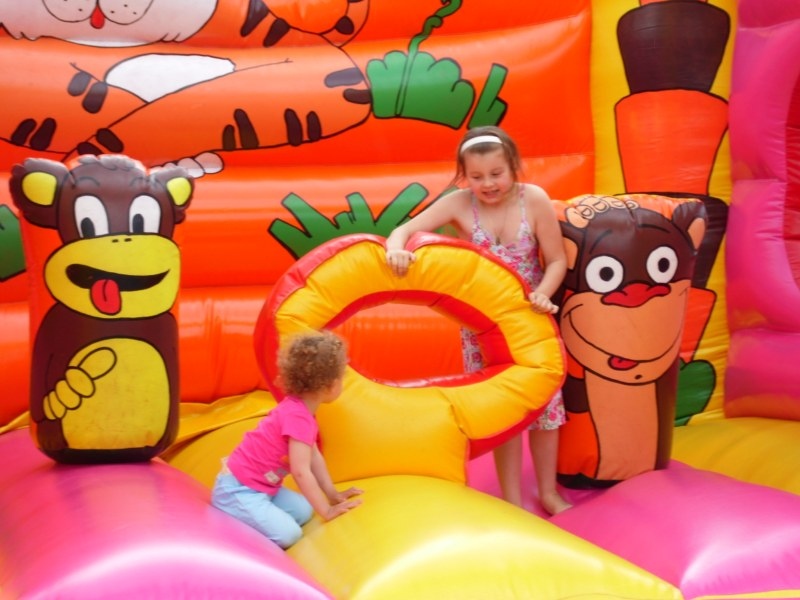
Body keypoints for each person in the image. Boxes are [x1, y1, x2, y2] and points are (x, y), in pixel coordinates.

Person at [384, 125, 571, 515]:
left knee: (546, 408)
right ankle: (512, 500)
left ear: (513, 166)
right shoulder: (459, 204)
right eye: (477, 176)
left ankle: (548, 492)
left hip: (530, 321)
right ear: (464, 176)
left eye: (497, 173)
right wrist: (397, 250)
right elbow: (402, 230)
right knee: (503, 408)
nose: (488, 184)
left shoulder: (533, 199)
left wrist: (543, 293)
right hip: (483, 328)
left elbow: (556, 260)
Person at [211, 330, 363, 548]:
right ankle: (231, 515)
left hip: (263, 487)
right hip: (239, 490)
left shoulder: (302, 411)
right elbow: (301, 472)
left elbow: (314, 458)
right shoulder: (298, 417)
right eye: (342, 378)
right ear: (330, 385)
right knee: (289, 534)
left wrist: (332, 495)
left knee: (304, 511)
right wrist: (327, 511)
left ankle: (255, 512)